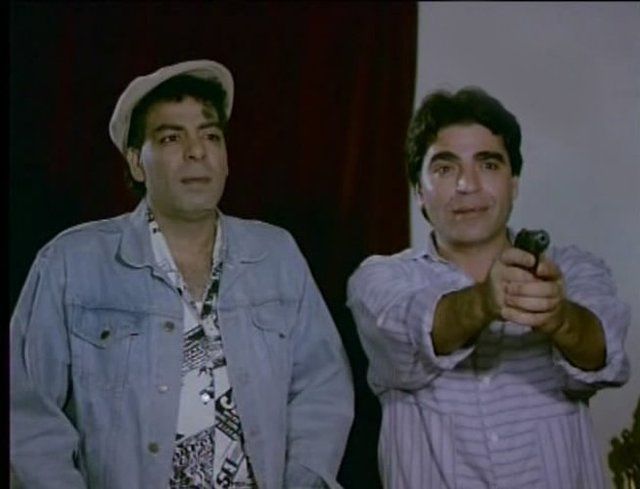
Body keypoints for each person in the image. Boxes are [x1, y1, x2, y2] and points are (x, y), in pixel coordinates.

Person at [10, 59, 354, 489]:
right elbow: (26, 415)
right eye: (171, 137)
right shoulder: (72, 262)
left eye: (210, 135)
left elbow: (322, 388)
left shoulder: (276, 254)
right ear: (136, 163)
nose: (197, 152)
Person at [347, 87, 630, 489]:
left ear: (513, 184)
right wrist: (485, 300)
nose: (468, 184)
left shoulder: (574, 269)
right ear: (418, 191)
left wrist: (558, 316)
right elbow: (407, 333)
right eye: (445, 168)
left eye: (489, 164)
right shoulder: (379, 280)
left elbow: (604, 353)